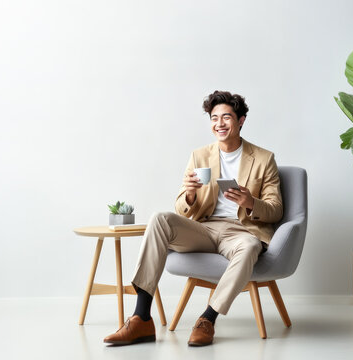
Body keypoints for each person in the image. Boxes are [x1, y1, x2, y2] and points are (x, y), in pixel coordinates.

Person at [104, 90, 283, 346]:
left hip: (241, 233)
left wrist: (250, 202)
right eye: (214, 118)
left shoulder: (264, 159)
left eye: (226, 117)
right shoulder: (199, 156)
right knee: (160, 218)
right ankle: (141, 318)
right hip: (205, 229)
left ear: (241, 120)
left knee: (251, 247)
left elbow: (276, 209)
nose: (219, 124)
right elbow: (180, 209)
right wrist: (188, 195)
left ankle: (207, 319)